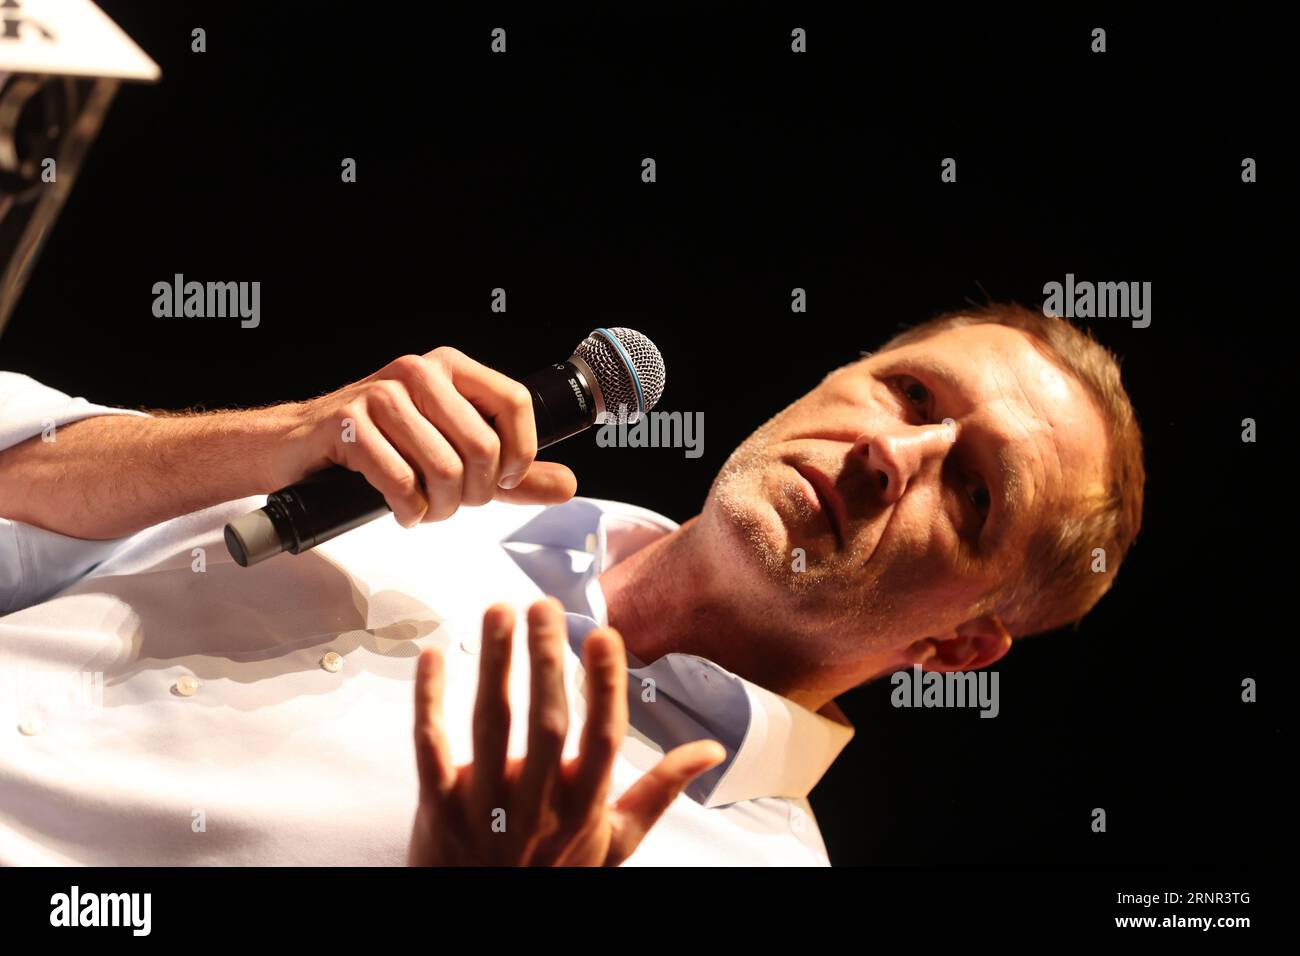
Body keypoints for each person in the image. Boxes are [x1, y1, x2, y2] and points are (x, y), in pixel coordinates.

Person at [0, 302, 1144, 865]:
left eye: (976, 491)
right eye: (909, 394)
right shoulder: (430, 483)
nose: (890, 453)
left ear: (959, 646)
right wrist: (274, 439)